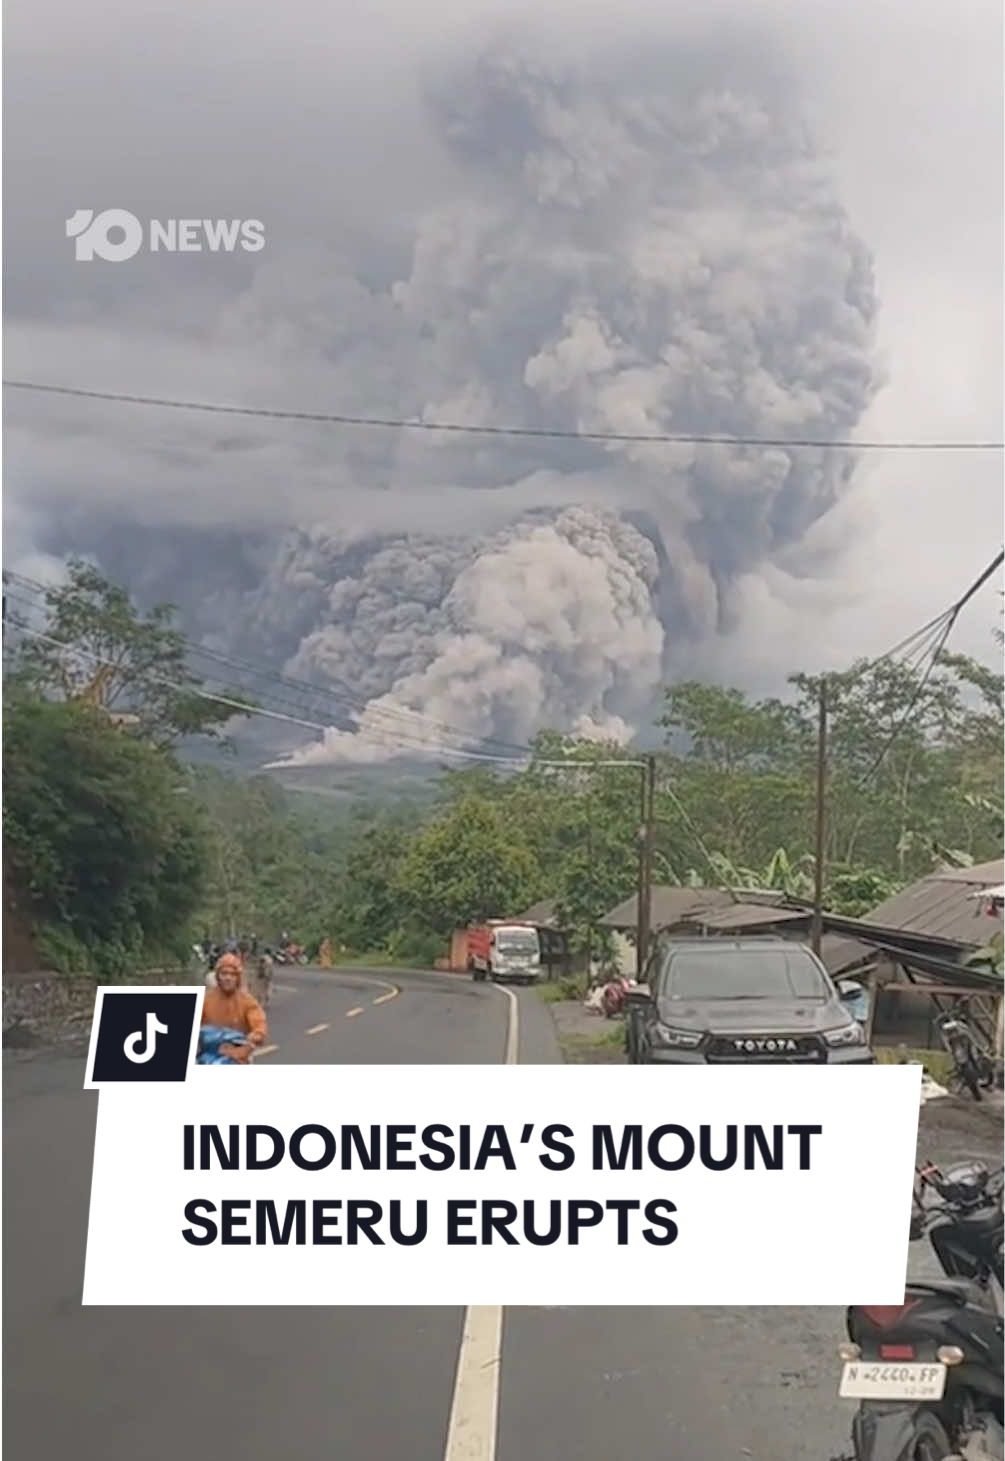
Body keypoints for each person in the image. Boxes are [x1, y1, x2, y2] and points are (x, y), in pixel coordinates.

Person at [202, 952, 268, 1062]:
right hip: (208, 1053)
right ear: (218, 976)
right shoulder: (206, 1000)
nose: (228, 978)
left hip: (239, 1055)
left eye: (233, 974)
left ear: (238, 978)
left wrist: (256, 1035)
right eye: (224, 973)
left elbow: (259, 1024)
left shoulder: (247, 1001)